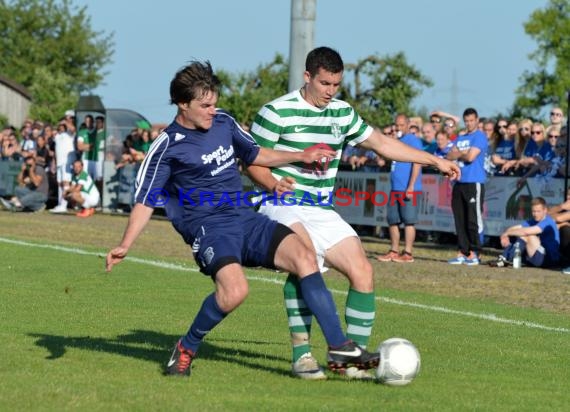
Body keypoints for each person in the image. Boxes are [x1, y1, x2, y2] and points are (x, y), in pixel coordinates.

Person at [105, 60, 381, 378]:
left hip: (244, 217)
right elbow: (145, 200)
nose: (213, 110)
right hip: (209, 229)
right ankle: (186, 347)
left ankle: (338, 347)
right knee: (235, 293)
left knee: (305, 257)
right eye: (205, 105)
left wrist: (299, 156)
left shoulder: (224, 122)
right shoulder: (167, 146)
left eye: (214, 103)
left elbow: (254, 154)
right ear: (183, 104)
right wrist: (125, 244)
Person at [247, 47, 460, 380]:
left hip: (321, 208)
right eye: (324, 83)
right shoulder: (276, 112)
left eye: (336, 84)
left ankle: (352, 360)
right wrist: (273, 184)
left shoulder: (342, 113)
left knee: (363, 271)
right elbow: (252, 161)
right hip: (282, 202)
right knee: (304, 262)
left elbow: (381, 144)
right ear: (307, 77)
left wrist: (433, 160)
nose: (330, 91)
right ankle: (302, 355)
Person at [377, 114, 423, 263]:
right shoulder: (397, 141)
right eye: (397, 125)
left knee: (409, 221)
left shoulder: (412, 140)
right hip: (395, 188)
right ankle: (394, 250)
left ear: (408, 125)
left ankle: (408, 253)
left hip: (409, 189)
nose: (398, 128)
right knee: (392, 220)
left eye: (402, 125)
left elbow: (417, 162)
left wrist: (410, 186)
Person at [446, 107, 488, 265]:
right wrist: (460, 152)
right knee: (460, 219)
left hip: (474, 181)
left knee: (473, 219)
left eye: (472, 120)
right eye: (467, 121)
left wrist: (459, 153)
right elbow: (449, 155)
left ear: (477, 121)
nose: (469, 123)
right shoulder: (461, 137)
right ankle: (463, 251)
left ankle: (475, 252)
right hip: (459, 182)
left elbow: (471, 157)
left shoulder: (480, 137)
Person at [490, 197, 560, 268]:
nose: (535, 214)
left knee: (526, 235)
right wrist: (504, 235)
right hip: (538, 256)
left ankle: (506, 259)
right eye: (533, 211)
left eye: (538, 211)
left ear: (545, 210)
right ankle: (505, 258)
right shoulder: (534, 220)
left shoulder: (548, 221)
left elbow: (526, 232)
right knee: (518, 234)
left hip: (549, 258)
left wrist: (508, 233)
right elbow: (515, 228)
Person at [50, 121, 76, 213]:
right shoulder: (57, 136)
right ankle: (60, 204)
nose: (60, 127)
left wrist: (66, 121)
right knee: (60, 183)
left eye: (62, 126)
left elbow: (73, 129)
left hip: (67, 162)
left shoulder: (69, 134)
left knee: (66, 183)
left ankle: (64, 205)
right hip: (59, 163)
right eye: (59, 125)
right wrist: (54, 162)